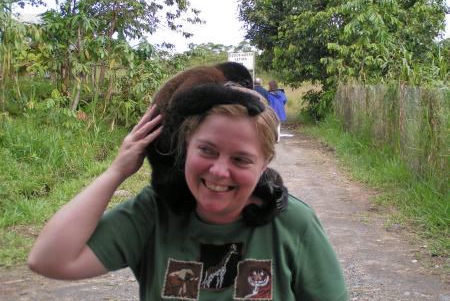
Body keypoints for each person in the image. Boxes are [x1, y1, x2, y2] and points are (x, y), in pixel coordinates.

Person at [28, 84, 347, 300]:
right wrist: (116, 172)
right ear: (185, 148)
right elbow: (48, 260)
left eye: (240, 159)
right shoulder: (153, 213)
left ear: (265, 164)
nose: (219, 171)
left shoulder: (294, 222)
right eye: (207, 150)